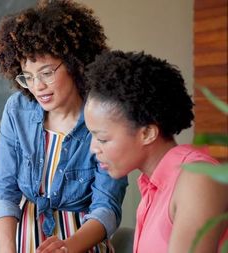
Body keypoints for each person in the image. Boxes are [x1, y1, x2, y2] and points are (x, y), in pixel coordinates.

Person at [0, 1, 128, 252]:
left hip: (82, 246)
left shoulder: (104, 115)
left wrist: (66, 248)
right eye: (27, 76)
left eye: (46, 73)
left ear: (75, 64)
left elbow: (107, 205)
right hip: (26, 243)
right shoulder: (17, 109)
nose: (37, 86)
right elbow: (4, 189)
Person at [83, 50, 228, 253]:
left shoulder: (198, 179)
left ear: (148, 133)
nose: (93, 148)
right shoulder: (151, 186)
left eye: (102, 138)